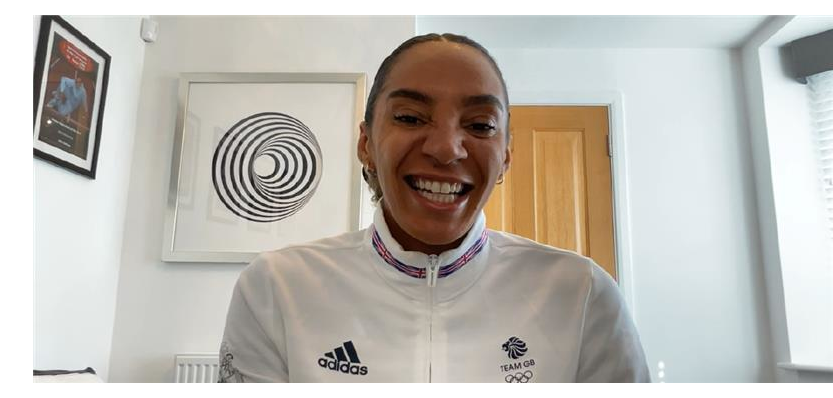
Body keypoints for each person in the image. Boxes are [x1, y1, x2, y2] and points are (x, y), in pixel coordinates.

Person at [219, 33, 650, 383]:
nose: (446, 149)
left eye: (480, 125)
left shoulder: (582, 294)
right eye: (410, 117)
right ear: (366, 145)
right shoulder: (277, 288)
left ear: (506, 157)